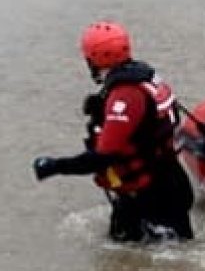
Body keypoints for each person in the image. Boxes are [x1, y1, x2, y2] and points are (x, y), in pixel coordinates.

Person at [32, 21, 195, 243]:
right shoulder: (144, 78)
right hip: (168, 182)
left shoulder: (125, 95)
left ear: (93, 59)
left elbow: (102, 157)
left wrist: (54, 166)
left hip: (151, 196)